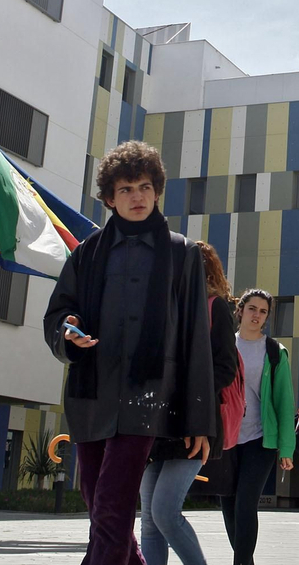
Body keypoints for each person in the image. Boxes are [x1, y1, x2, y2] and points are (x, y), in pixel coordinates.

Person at [44, 141, 215, 565]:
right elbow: (59, 312)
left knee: (111, 506)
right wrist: (69, 332)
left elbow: (196, 336)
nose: (136, 196)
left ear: (156, 190)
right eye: (125, 189)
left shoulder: (182, 253)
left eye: (143, 186)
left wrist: (199, 419)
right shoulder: (87, 253)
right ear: (109, 198)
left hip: (147, 398)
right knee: (98, 506)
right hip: (91, 396)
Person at [139, 241, 240, 565]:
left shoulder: (216, 307)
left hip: (194, 422)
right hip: (158, 423)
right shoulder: (166, 309)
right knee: (151, 520)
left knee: (164, 512)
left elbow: (225, 367)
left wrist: (188, 391)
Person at [218, 289, 295, 565]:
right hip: (225, 437)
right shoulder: (224, 344)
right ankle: (245, 560)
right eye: (252, 308)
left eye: (263, 311)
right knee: (228, 503)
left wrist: (286, 448)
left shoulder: (274, 352)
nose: (257, 315)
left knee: (245, 502)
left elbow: (284, 402)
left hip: (260, 439)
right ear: (240, 310)